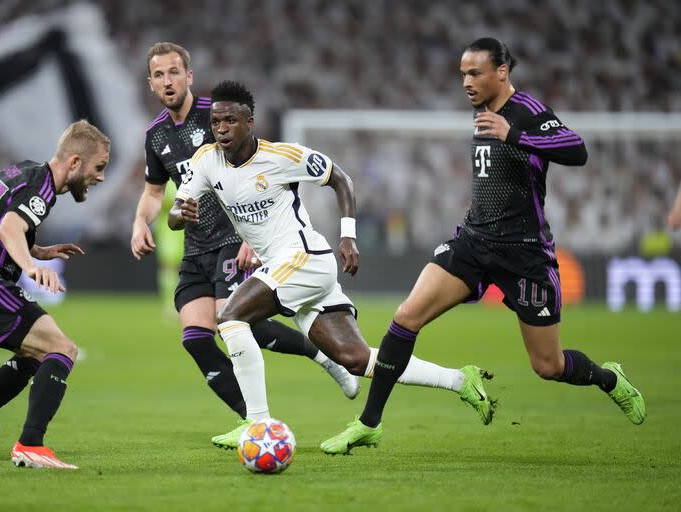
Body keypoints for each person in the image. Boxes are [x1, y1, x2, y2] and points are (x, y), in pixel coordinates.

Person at [322, 37, 646, 455]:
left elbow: (577, 150)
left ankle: (609, 379)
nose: (466, 82)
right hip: (474, 243)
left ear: (502, 72)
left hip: (524, 253)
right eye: (463, 74)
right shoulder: (480, 110)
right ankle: (369, 423)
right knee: (406, 317)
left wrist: (516, 135)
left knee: (548, 366)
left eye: (475, 73)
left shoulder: (527, 111)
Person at [171, 80, 496, 448]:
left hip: (304, 258)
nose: (222, 129)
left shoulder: (282, 157)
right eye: (216, 122)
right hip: (288, 269)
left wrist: (348, 235)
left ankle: (257, 425)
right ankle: (460, 380)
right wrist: (181, 211)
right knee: (355, 359)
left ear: (250, 121)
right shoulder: (206, 160)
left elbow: (341, 179)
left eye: (231, 120)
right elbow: (175, 212)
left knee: (230, 318)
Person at [130, 43, 359, 446]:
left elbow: (258, 167)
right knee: (196, 338)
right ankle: (253, 415)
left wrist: (252, 239)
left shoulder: (217, 113)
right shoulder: (156, 136)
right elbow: (154, 192)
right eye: (159, 75)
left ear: (189, 76)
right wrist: (139, 222)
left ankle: (299, 377)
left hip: (233, 242)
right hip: (195, 246)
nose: (167, 81)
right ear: (150, 84)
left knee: (232, 319)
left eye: (173, 72)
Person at [0, 120, 110, 468]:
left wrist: (39, 250)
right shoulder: (41, 188)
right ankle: (31, 444)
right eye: (99, 167)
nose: (100, 177)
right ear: (74, 162)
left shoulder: (26, 171)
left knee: (36, 353)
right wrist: (30, 266)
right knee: (62, 348)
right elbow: (8, 225)